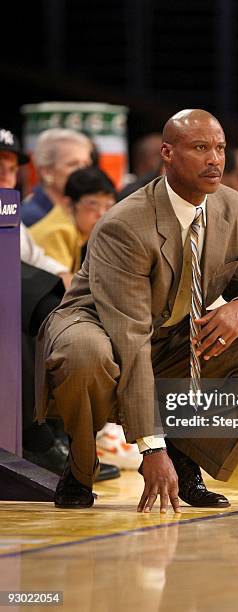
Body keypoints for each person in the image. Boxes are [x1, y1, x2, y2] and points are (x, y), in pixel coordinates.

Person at [35, 109, 238, 511]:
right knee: (85, 351)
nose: (215, 159)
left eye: (220, 148)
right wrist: (150, 450)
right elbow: (129, 337)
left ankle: (188, 455)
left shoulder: (236, 210)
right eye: (200, 148)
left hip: (169, 337)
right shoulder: (125, 223)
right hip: (101, 332)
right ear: (167, 153)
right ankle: (79, 464)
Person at [0, 127, 120, 481]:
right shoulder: (48, 219)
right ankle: (39, 437)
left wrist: (63, 280)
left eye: (11, 168)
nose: (6, 174)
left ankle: (57, 434)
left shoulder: (11, 205)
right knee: (42, 309)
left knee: (55, 310)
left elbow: (31, 255)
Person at [30, 166, 117, 273]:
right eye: (93, 204)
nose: (102, 214)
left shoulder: (77, 229)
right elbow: (62, 284)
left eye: (108, 206)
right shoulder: (59, 232)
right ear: (68, 204)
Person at [21, 128, 92, 227]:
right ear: (46, 171)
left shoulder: (84, 212)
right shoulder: (30, 218)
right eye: (73, 164)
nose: (83, 171)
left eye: (86, 164)